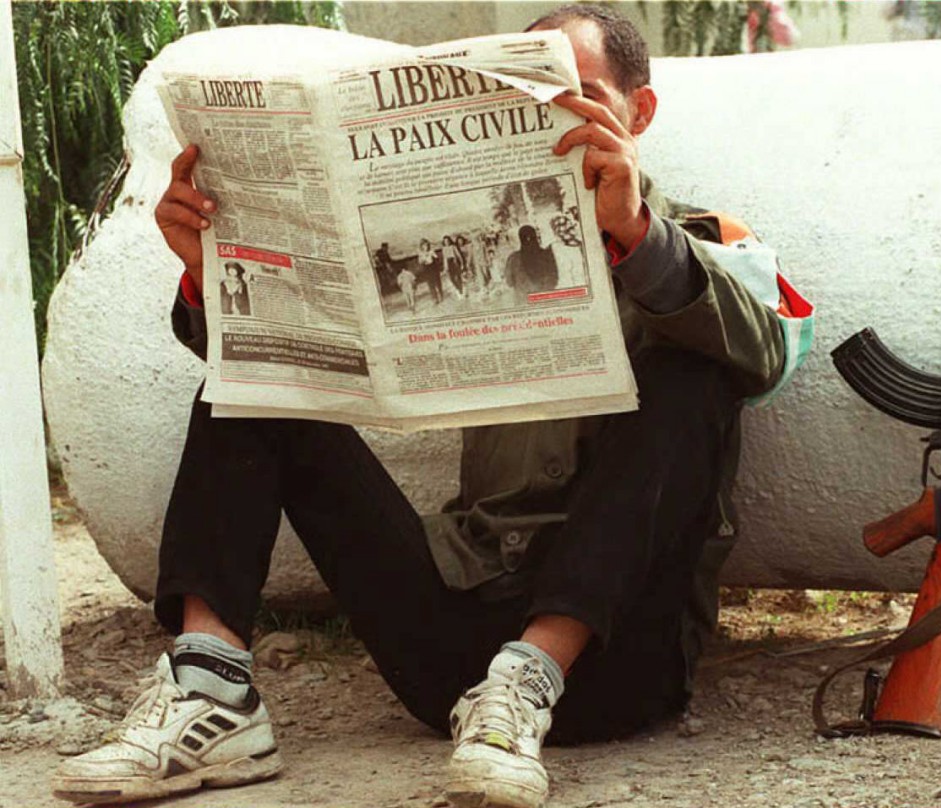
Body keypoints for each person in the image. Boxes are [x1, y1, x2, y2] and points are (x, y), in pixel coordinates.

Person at [53, 6, 804, 808]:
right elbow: (272, 373)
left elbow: (763, 354)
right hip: (453, 647)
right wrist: (217, 276)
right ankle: (212, 693)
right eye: (518, 102)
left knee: (700, 369)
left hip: (617, 659)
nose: (547, 123)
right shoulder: (447, 235)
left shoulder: (696, 239)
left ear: (638, 113)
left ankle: (531, 673)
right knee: (253, 377)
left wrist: (636, 235)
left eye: (573, 97)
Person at [504, 224, 559, 304]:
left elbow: (509, 282)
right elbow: (554, 280)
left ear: (521, 239)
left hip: (524, 302)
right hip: (546, 301)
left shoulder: (513, 259)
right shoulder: (547, 255)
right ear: (535, 237)